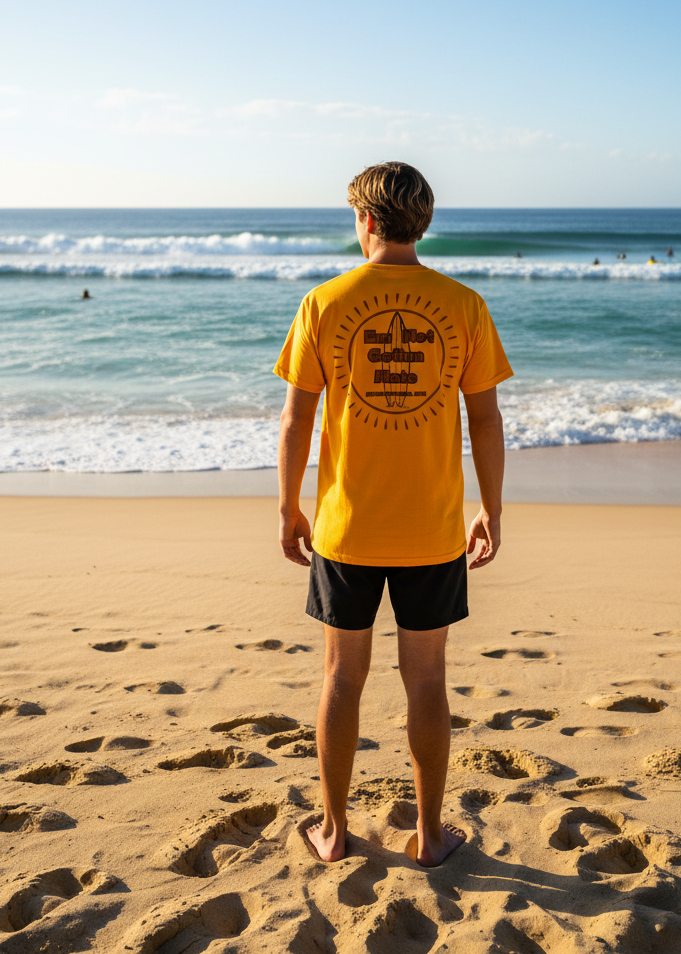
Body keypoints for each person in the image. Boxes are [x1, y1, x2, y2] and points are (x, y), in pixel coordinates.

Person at [274, 162, 512, 868]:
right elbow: (487, 421)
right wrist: (490, 509)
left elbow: (295, 421)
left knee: (342, 678)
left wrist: (289, 507)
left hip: (346, 529)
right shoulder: (463, 304)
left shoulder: (325, 302)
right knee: (429, 681)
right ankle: (432, 836)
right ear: (422, 224)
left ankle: (333, 830)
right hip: (433, 529)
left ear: (367, 221)